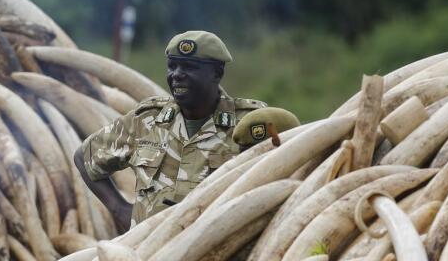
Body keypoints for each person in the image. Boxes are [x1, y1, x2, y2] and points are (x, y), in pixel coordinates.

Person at [74, 30, 299, 231]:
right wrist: (120, 210)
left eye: (189, 67)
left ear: (217, 74)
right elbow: (85, 158)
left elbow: (290, 174)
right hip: (146, 255)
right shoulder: (148, 119)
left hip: (220, 257)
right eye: (173, 66)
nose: (177, 74)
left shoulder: (250, 123)